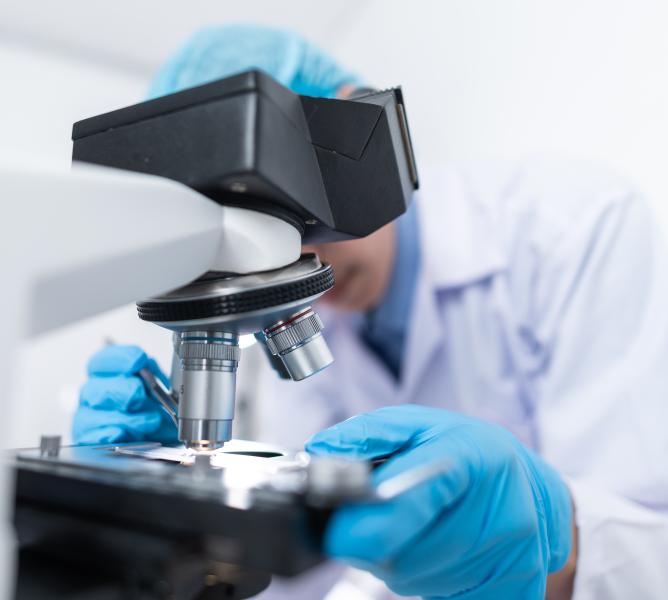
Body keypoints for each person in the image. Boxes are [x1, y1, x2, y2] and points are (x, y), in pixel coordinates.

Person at [72, 25, 668, 600]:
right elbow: (305, 558)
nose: (296, 267)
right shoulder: (300, 310)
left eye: (292, 230)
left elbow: (653, 545)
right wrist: (176, 524)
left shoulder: (573, 228)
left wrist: (549, 534)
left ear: (361, 140)